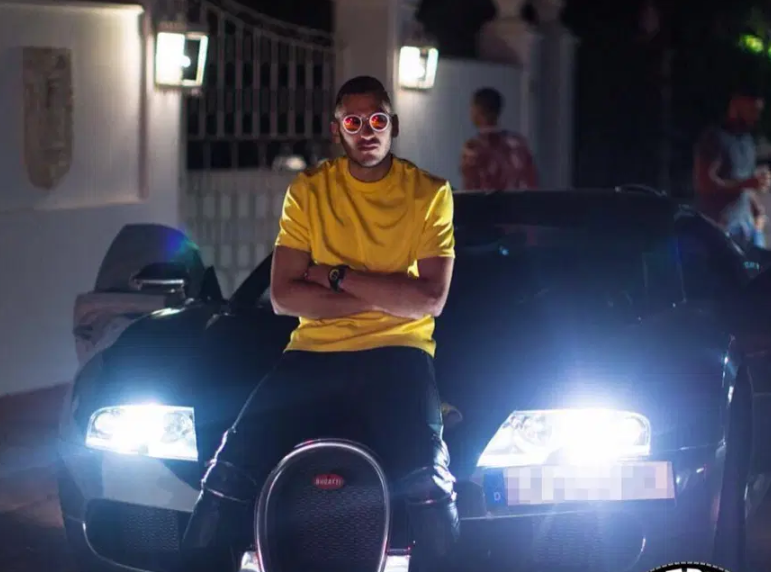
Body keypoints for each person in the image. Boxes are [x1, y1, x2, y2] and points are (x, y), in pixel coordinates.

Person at [181, 76, 459, 571]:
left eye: (377, 120)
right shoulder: (309, 191)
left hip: (399, 356)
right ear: (337, 131)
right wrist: (390, 296)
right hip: (312, 353)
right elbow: (285, 297)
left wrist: (334, 276)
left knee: (428, 486)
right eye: (353, 122)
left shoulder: (429, 193)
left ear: (394, 125)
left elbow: (430, 300)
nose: (367, 132)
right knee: (224, 478)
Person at [693, 91, 771, 250]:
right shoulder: (715, 138)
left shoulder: (747, 140)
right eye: (752, 110)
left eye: (758, 111)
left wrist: (757, 208)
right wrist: (746, 183)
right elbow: (704, 184)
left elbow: (744, 183)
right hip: (721, 228)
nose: (756, 116)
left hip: (746, 226)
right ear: (736, 106)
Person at [460, 87, 539, 191]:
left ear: (477, 110)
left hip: (487, 201)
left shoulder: (473, 149)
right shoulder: (518, 144)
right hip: (519, 201)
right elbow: (531, 182)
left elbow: (471, 189)